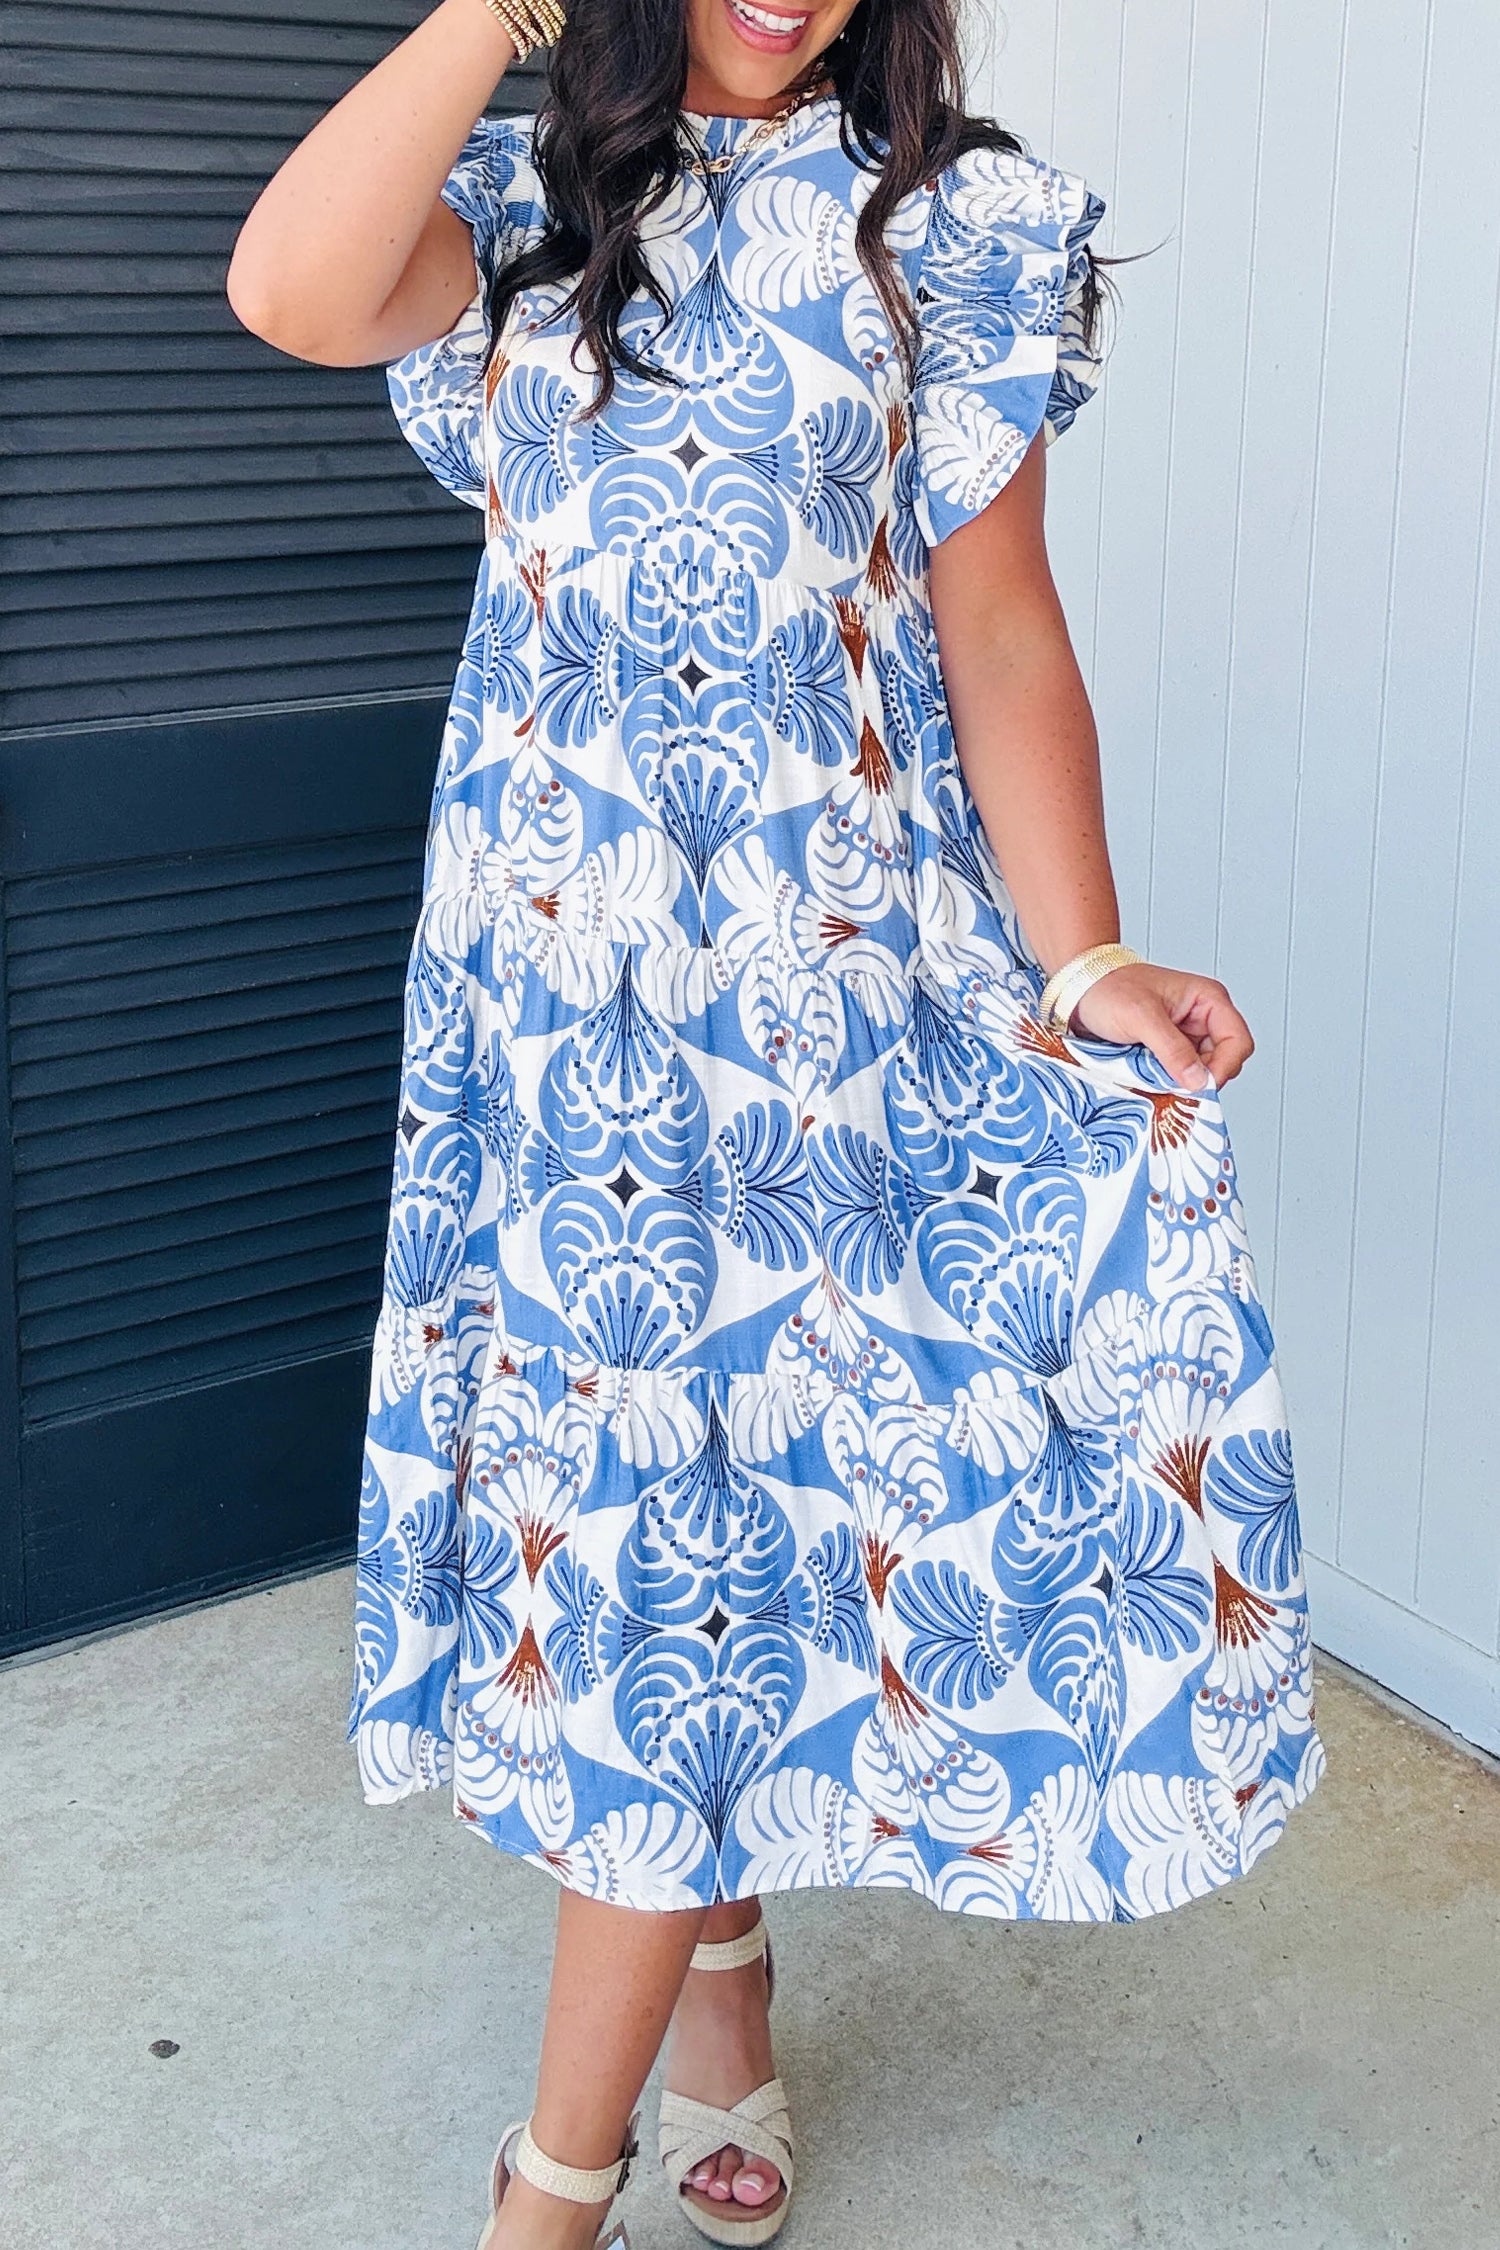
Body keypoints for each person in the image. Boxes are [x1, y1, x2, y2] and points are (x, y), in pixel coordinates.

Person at [228, 0, 1324, 2242]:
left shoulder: (958, 225)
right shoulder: (527, 209)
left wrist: (1087, 962)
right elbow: (293, 292)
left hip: (822, 1002)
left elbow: (996, 631)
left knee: (691, 1554)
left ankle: (551, 2191)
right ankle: (716, 1976)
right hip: (554, 1011)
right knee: (654, 1537)